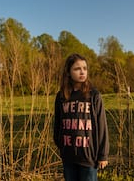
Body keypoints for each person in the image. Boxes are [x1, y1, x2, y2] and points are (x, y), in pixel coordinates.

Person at [54, 53, 109, 181]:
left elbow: (102, 127)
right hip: (68, 156)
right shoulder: (61, 96)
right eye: (77, 68)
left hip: (88, 156)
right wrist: (60, 145)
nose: (82, 72)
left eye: (84, 68)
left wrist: (103, 155)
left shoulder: (94, 95)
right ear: (68, 72)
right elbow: (57, 123)